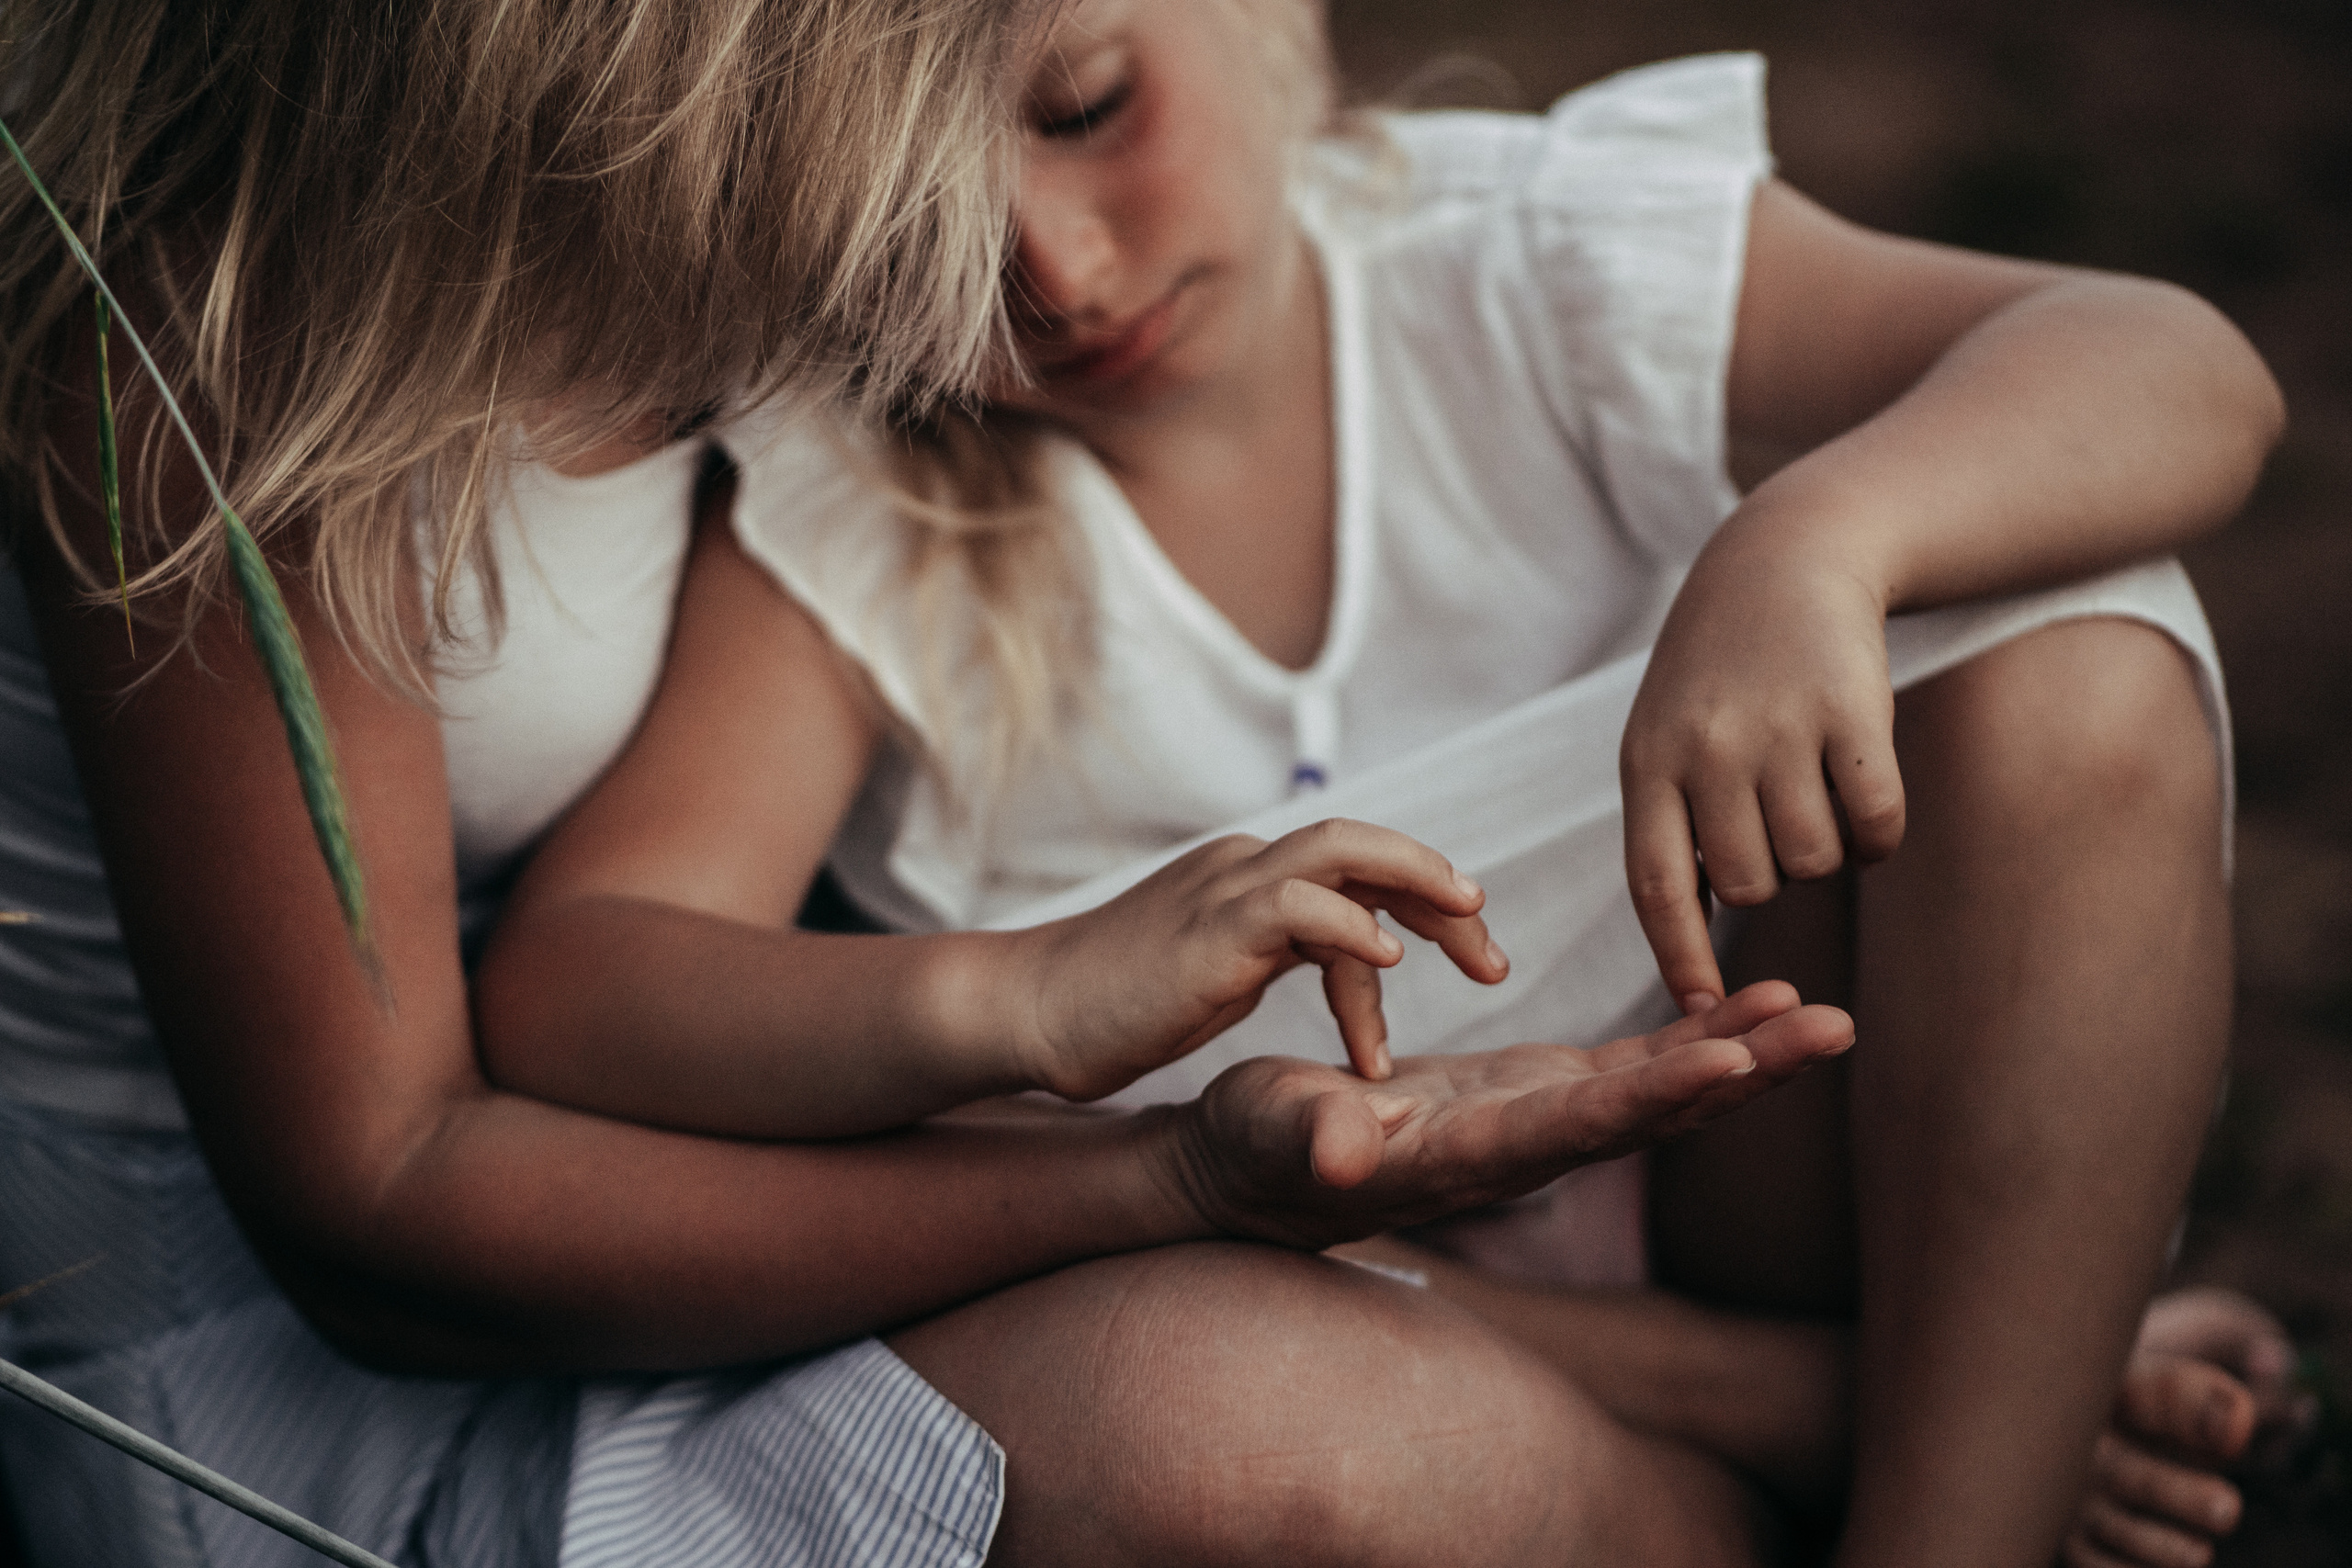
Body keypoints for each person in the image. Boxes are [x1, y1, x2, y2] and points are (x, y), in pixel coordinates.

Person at [0, 2, 1866, 1565]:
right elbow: (384, 1217)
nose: (1040, 261)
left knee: (1966, 653)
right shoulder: (215, 319)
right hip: (339, 1346)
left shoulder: (755, 170)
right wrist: (1133, 1151)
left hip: (666, 1120)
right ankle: (1804, 1451)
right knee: (1269, 1420)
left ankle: (1838, 1436)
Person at [468, 1, 2292, 1563]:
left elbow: (2172, 361)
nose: (1057, 270)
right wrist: (1021, 991)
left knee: (2077, 647)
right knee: (1181, 1332)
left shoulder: (1527, 258)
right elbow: (585, 977)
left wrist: (1819, 537)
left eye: (1086, 106)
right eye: (906, 224)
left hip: (1742, 1138)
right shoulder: (879, 501)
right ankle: (1953, 1392)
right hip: (1319, 1286)